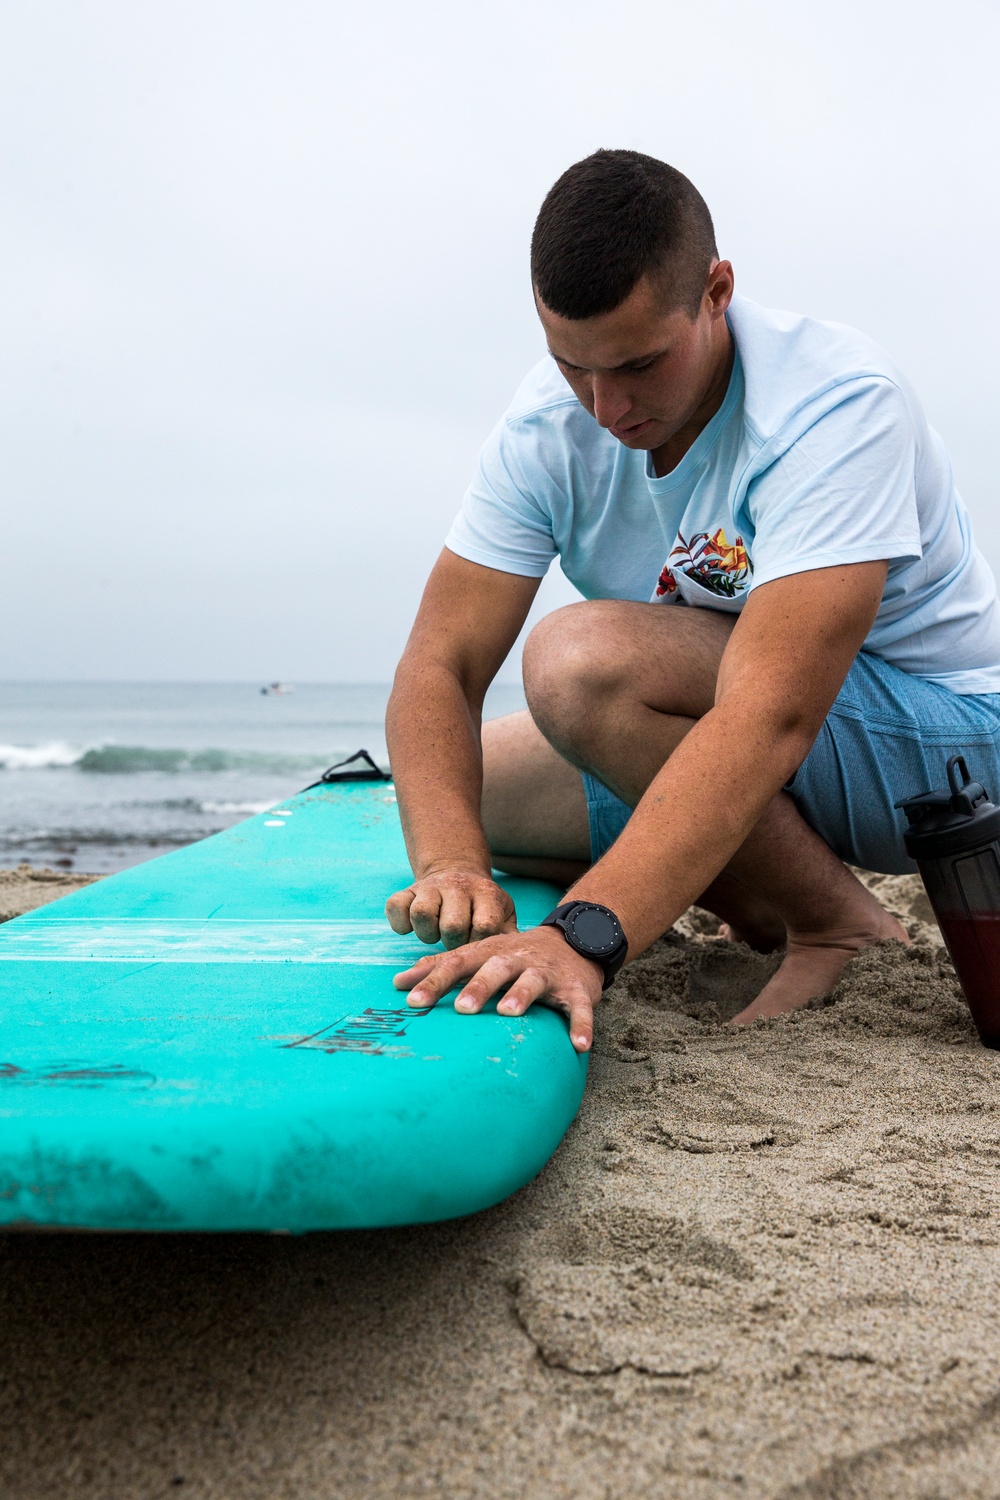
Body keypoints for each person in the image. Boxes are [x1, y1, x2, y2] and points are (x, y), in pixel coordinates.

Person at [384, 149, 1000, 1053]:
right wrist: (451, 864)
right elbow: (442, 660)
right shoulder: (544, 429)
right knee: (480, 785)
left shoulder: (831, 404)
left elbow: (772, 715)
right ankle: (750, 886)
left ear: (716, 292)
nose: (606, 407)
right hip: (778, 740)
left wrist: (583, 937)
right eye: (571, 366)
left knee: (578, 664)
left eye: (637, 364)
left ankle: (835, 921)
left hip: (950, 758)